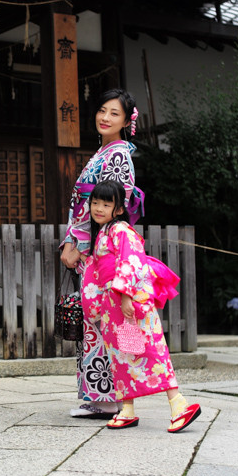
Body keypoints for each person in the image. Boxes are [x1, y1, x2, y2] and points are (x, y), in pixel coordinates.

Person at [78, 179, 201, 433]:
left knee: (152, 351)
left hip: (131, 303)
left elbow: (130, 261)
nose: (99, 208)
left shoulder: (121, 231)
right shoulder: (102, 233)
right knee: (124, 355)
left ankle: (179, 404)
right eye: (95, 203)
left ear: (120, 209)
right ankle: (128, 409)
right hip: (114, 307)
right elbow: (97, 271)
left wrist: (125, 295)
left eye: (106, 204)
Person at [60, 88, 143, 419]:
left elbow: (107, 207)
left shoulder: (118, 155)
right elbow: (85, 204)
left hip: (100, 249)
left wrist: (76, 243)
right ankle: (98, 395)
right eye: (102, 111)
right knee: (93, 318)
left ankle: (110, 397)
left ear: (126, 121)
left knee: (102, 318)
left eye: (114, 114)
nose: (105, 118)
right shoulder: (104, 152)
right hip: (91, 247)